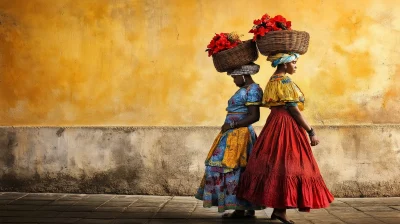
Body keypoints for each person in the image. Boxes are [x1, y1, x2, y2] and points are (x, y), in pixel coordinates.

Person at [237, 53, 334, 224]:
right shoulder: (285, 82)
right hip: (286, 126)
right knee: (291, 166)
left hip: (273, 124)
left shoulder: (272, 80)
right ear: (284, 64)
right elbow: (294, 110)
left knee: (277, 165)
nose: (296, 66)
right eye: (294, 62)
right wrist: (311, 131)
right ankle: (280, 211)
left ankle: (278, 209)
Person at [195, 63, 264, 218]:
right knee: (235, 169)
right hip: (232, 133)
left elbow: (254, 116)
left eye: (234, 77)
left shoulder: (253, 90)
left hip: (240, 135)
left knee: (235, 168)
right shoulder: (244, 89)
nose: (233, 80)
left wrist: (232, 124)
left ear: (243, 75)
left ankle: (241, 209)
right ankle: (244, 207)